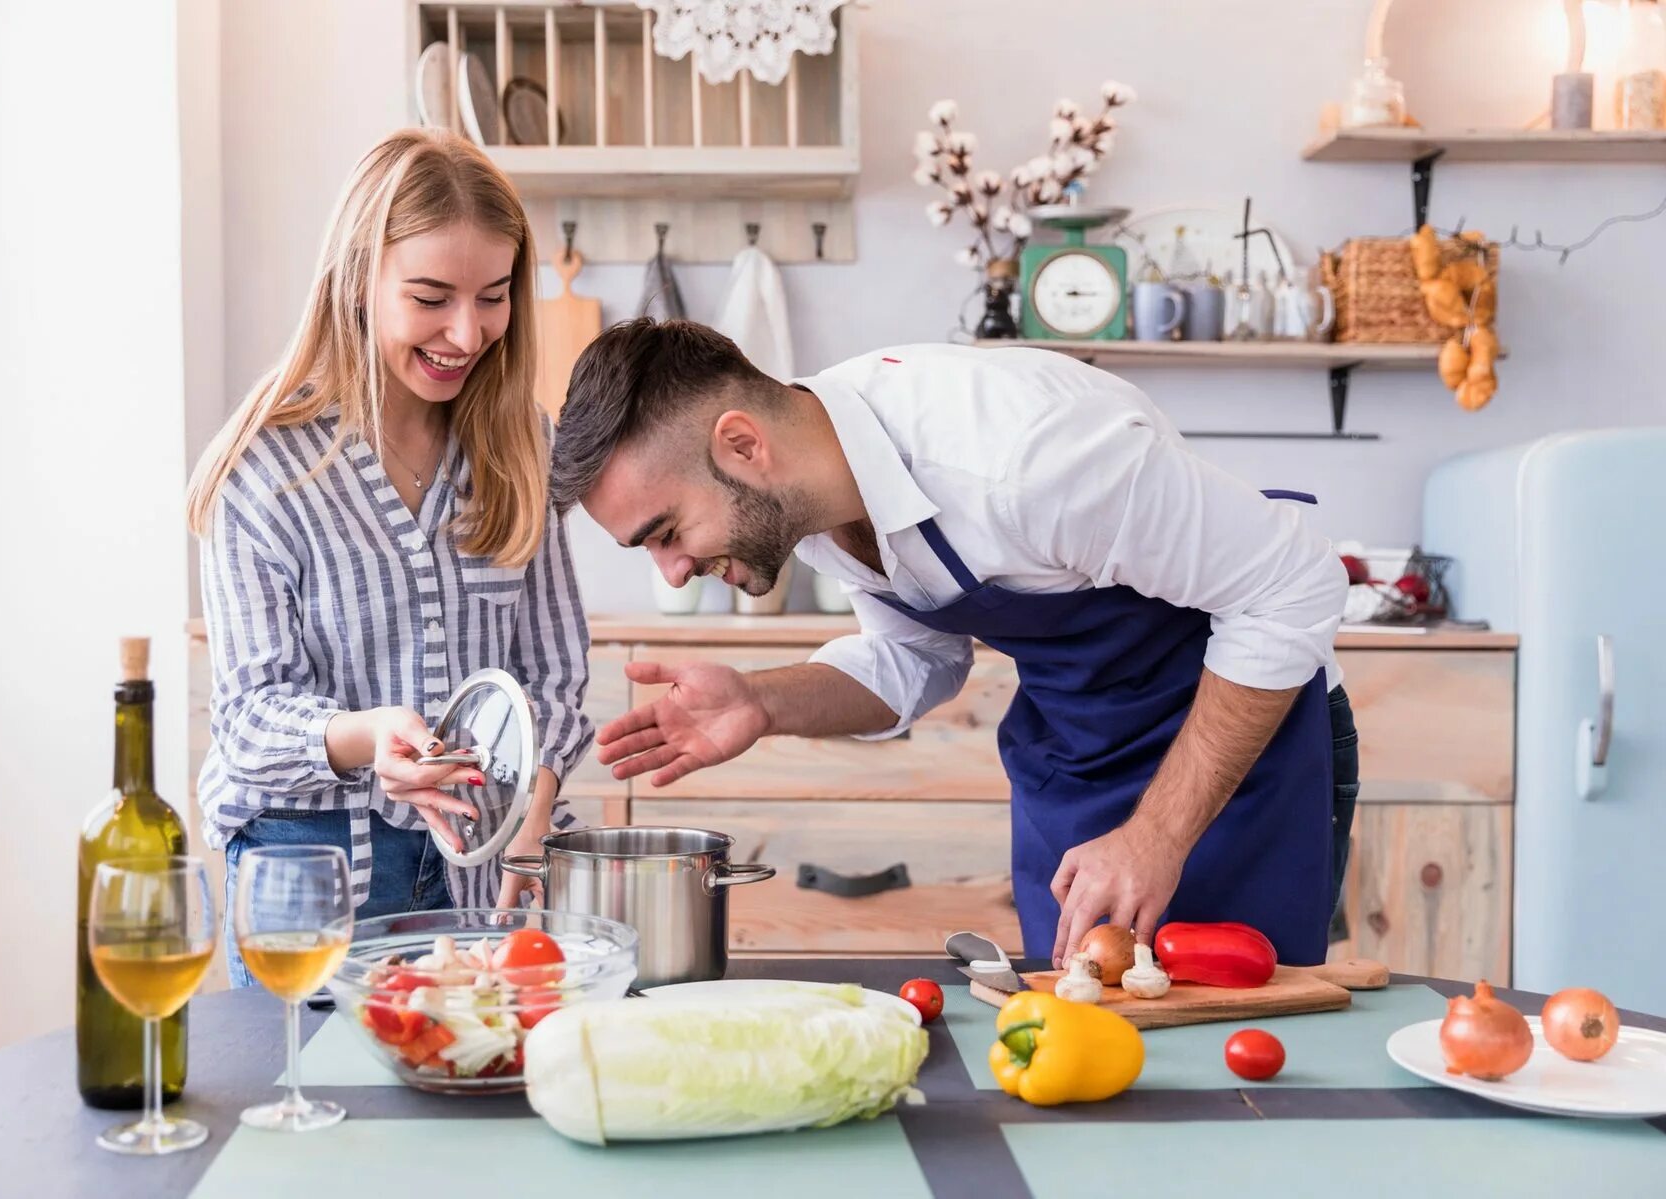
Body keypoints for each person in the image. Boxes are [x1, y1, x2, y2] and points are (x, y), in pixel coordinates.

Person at [548, 319, 1358, 968]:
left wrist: (1157, 834)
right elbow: (918, 658)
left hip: (1241, 760)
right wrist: (764, 700)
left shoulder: (1025, 457)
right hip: (1078, 766)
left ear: (742, 445)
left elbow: (1292, 587)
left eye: (667, 531)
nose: (676, 570)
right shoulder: (810, 498)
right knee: (1084, 1053)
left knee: (1241, 1080)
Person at [187, 128, 592, 985]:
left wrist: (535, 805)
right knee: (308, 1106)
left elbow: (554, 674)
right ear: (358, 282)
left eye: (492, 296)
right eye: (432, 296)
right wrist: (370, 736)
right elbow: (249, 719)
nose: (467, 330)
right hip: (306, 874)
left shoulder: (522, 446)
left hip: (478, 868)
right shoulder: (263, 469)